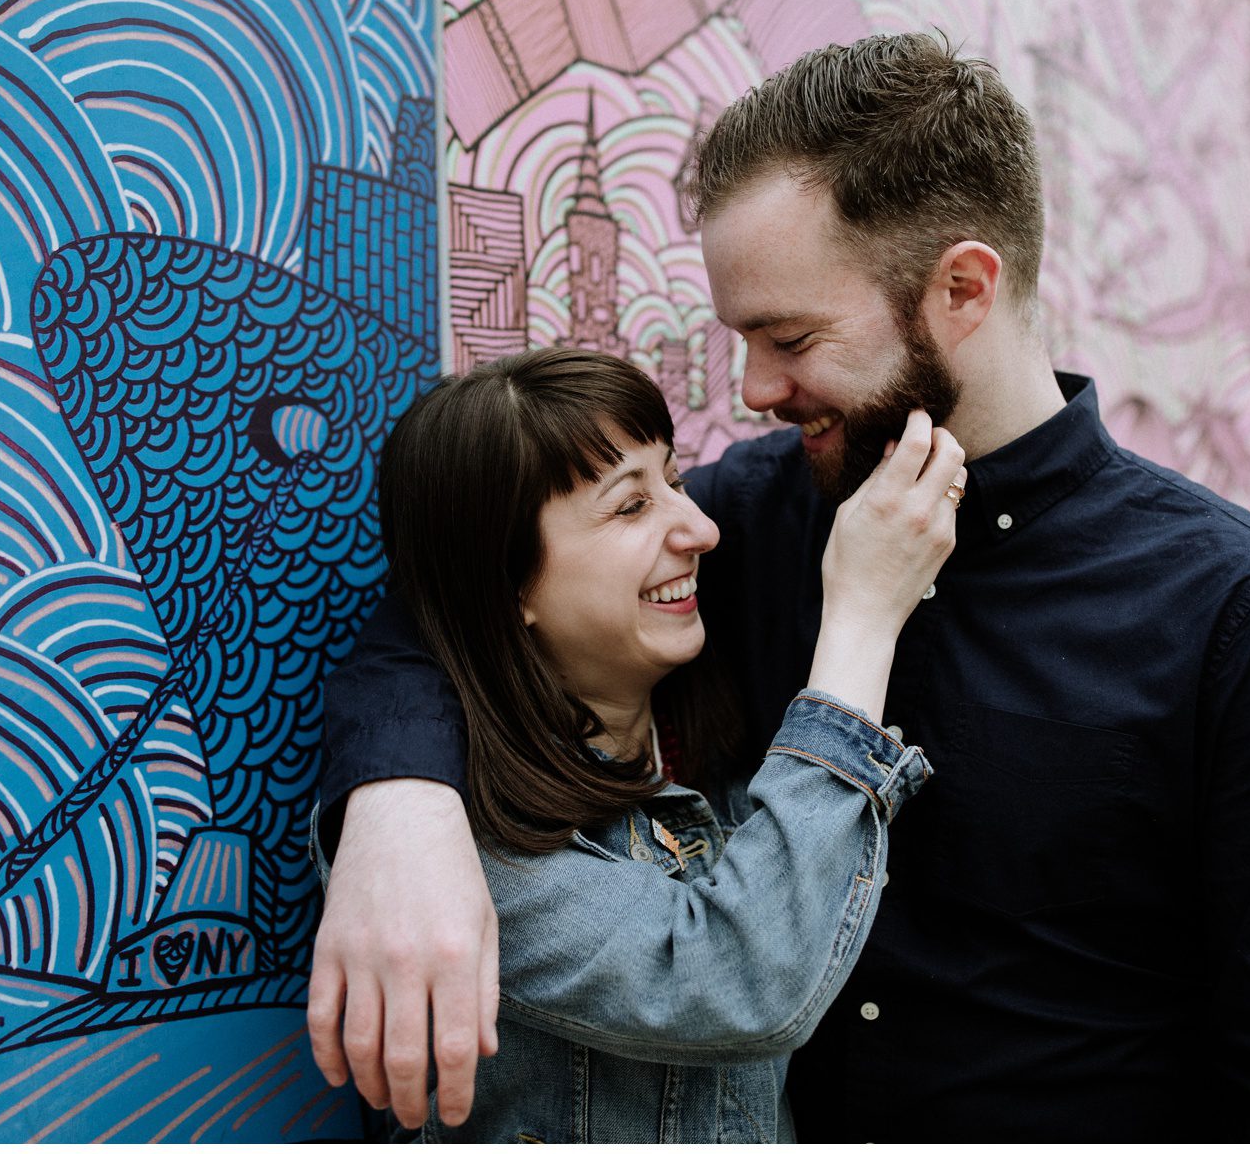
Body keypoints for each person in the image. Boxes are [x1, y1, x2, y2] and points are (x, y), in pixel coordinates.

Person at [308, 33, 1250, 1141]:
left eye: (788, 337)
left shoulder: (1233, 608)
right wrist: (397, 807)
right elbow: (459, 597)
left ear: (962, 288)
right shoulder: (741, 518)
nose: (751, 390)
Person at [307, 345, 963, 1140]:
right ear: (511, 587)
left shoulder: (700, 733)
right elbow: (737, 981)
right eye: (629, 507)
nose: (701, 528)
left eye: (675, 482)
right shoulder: (455, 852)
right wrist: (861, 619)